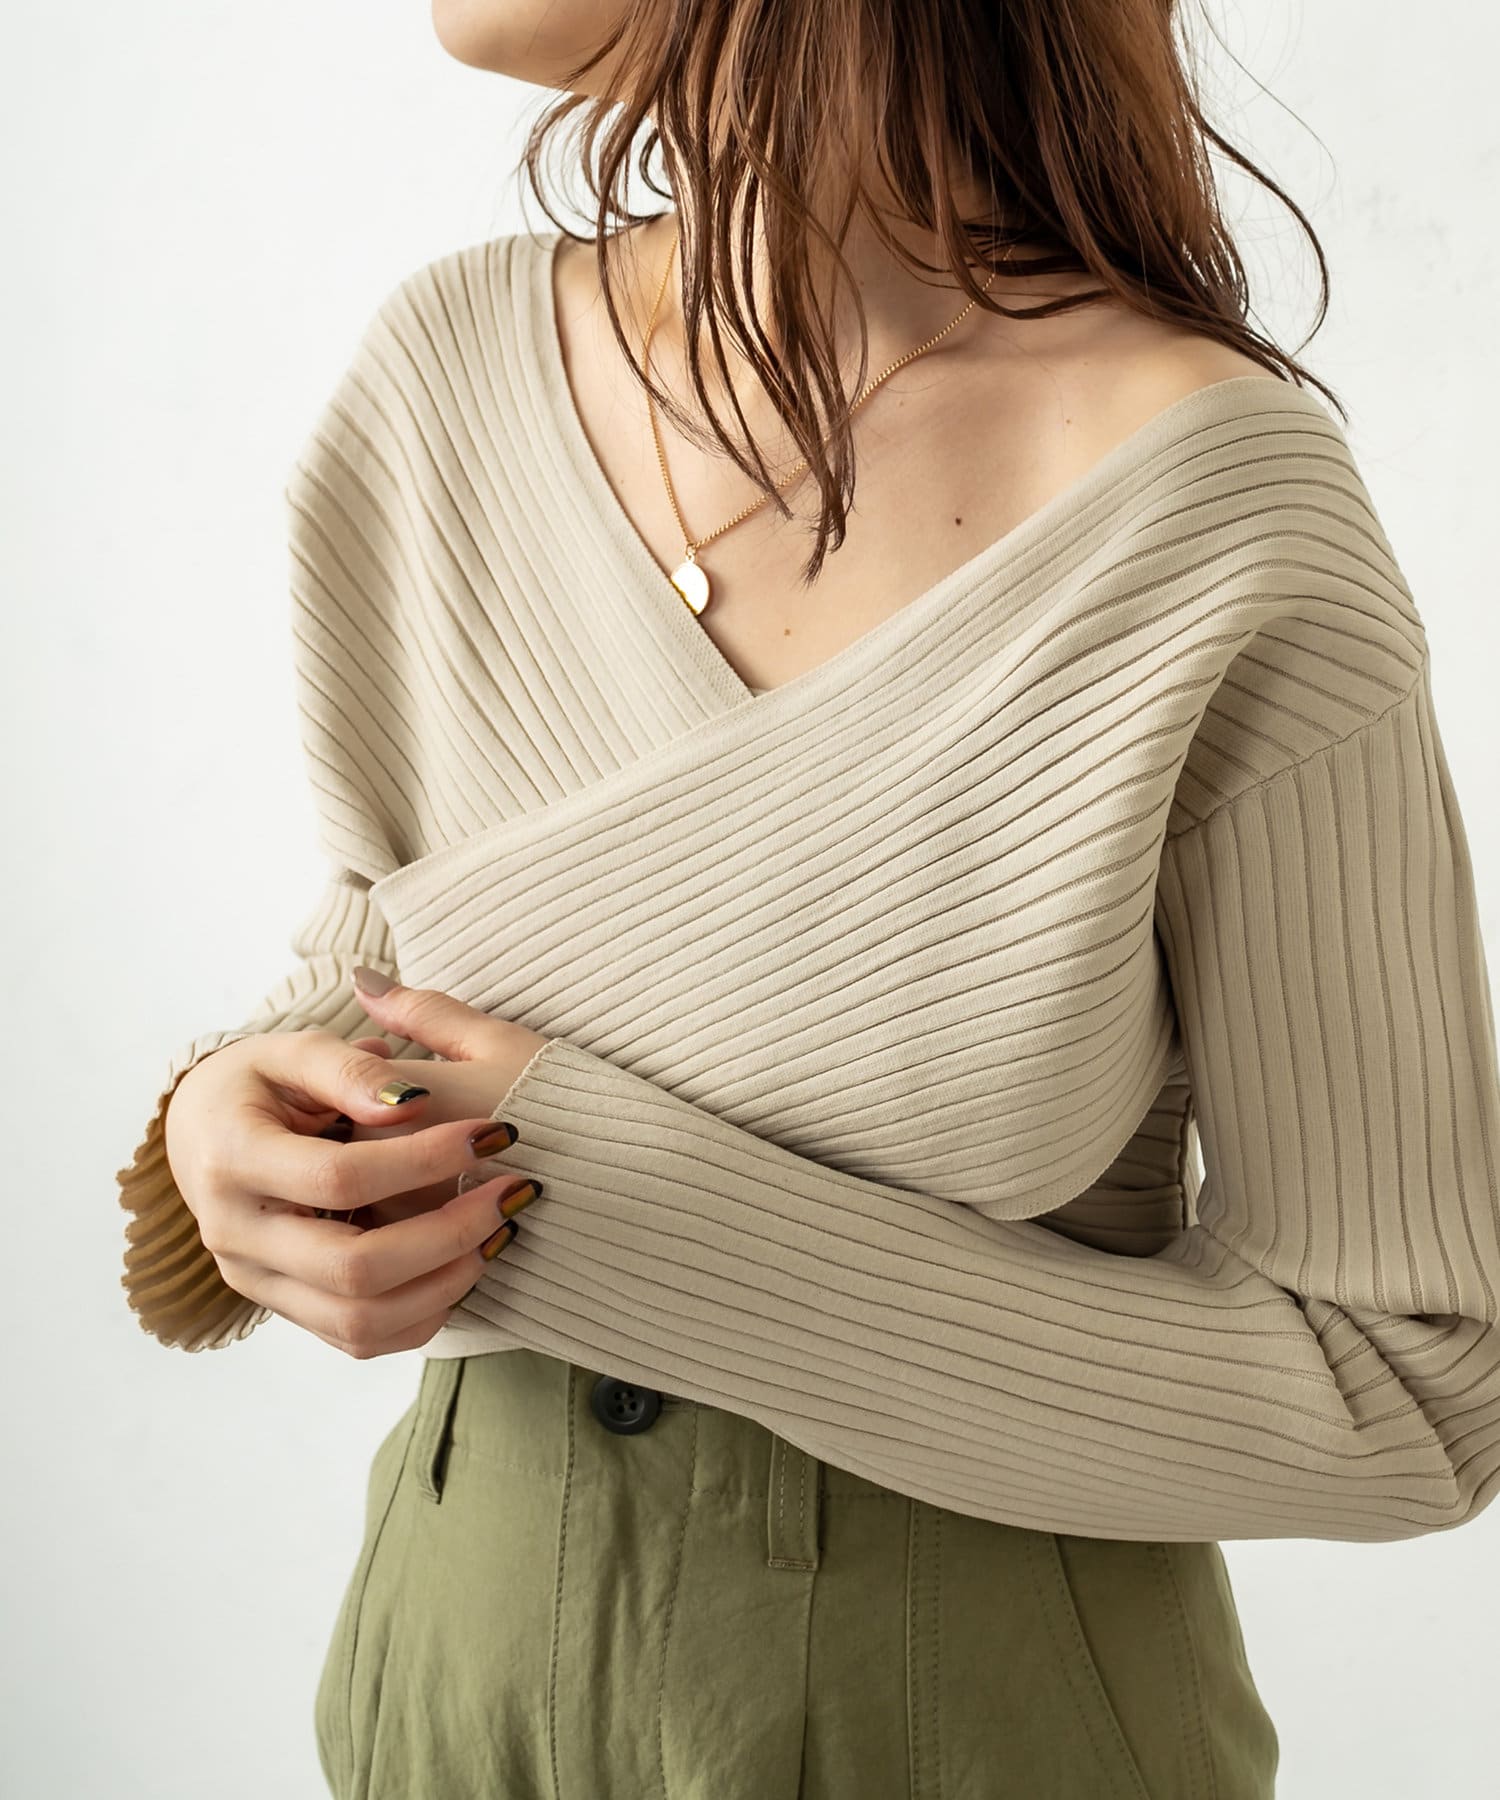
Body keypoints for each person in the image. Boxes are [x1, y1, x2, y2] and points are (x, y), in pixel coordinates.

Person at [115, 4, 1500, 1797]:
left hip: (969, 1732)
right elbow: (391, 961)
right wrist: (228, 1132)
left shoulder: (1212, 515)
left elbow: (1410, 1387)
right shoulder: (441, 376)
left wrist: (628, 1216)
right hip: (451, 1692)